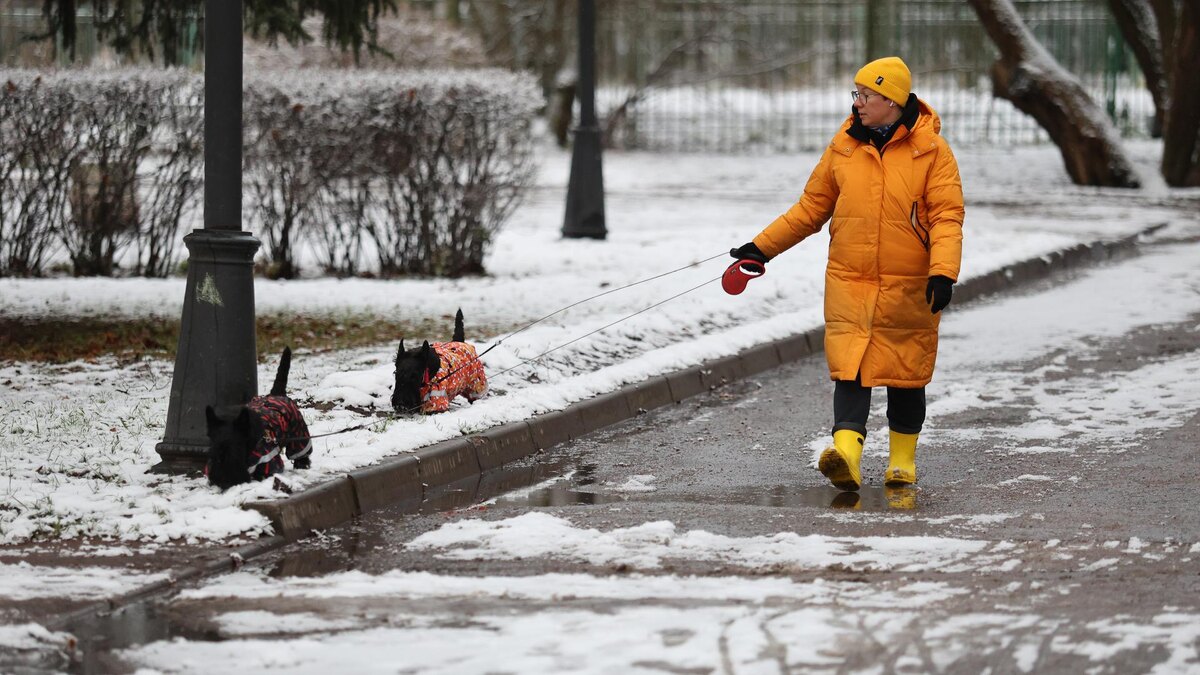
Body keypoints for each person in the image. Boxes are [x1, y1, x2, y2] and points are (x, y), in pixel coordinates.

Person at [731, 56, 964, 492]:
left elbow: (948, 218)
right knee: (850, 370)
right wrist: (761, 249)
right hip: (850, 279)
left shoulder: (932, 151)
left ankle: (901, 463)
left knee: (905, 374)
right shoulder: (844, 146)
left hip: (908, 282)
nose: (857, 103)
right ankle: (847, 458)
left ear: (891, 100)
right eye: (856, 94)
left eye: (865, 95)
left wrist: (942, 272)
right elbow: (810, 208)